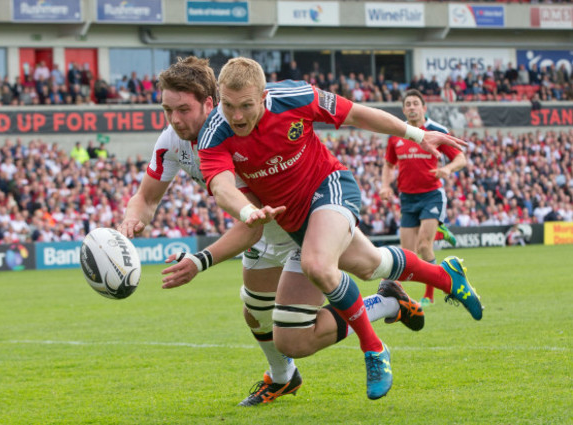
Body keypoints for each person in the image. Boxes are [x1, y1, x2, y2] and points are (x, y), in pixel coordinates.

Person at [117, 57, 425, 406]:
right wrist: (130, 220)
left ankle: (385, 303)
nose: (174, 120)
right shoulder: (172, 142)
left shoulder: (233, 131)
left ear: (210, 102)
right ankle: (284, 377)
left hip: (296, 222)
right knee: (255, 310)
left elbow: (247, 223)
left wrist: (201, 261)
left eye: (183, 110)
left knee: (361, 273)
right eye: (167, 110)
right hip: (261, 229)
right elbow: (145, 197)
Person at [197, 57, 483, 400]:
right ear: (219, 96)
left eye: (246, 106)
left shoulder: (295, 97)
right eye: (228, 105)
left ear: (263, 96)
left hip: (329, 187)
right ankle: (446, 277)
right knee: (361, 274)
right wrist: (246, 210)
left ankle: (374, 348)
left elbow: (356, 113)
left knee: (317, 264)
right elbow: (221, 186)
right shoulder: (214, 131)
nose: (237, 116)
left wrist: (416, 134)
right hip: (295, 221)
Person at [379, 89, 466, 307]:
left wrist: (448, 169)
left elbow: (461, 158)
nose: (411, 107)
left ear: (424, 108)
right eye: (407, 104)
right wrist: (385, 185)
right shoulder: (396, 133)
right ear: (403, 109)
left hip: (431, 195)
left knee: (424, 246)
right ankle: (404, 298)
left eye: (415, 103)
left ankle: (429, 296)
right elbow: (389, 164)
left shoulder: (436, 131)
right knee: (408, 254)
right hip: (407, 199)